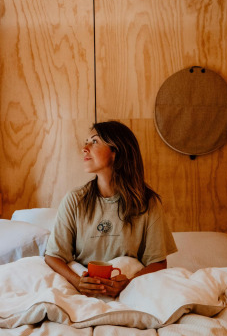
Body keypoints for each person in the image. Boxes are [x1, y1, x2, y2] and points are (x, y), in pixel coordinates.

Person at [44, 120, 177, 298]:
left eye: (94, 141)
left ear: (116, 151)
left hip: (130, 291)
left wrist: (129, 284)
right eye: (86, 142)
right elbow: (53, 256)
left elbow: (158, 263)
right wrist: (78, 282)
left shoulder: (148, 203)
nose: (84, 148)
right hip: (84, 291)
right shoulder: (75, 200)